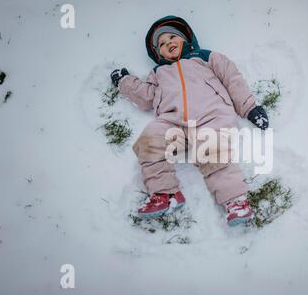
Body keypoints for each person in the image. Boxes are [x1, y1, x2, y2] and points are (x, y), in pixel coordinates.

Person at [111, 15, 268, 226]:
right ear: (158, 54)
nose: (168, 44)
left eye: (172, 38)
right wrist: (124, 82)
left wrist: (249, 107)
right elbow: (146, 96)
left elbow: (233, 79)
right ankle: (165, 194)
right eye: (162, 45)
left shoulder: (204, 57)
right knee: (149, 140)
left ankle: (236, 201)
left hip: (211, 117)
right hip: (174, 124)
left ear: (185, 39)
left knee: (210, 150)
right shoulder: (159, 73)